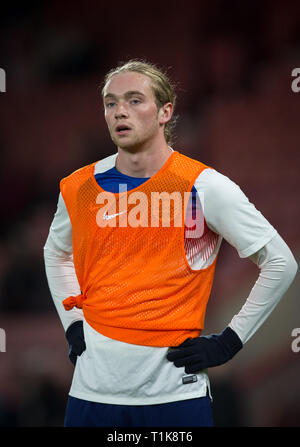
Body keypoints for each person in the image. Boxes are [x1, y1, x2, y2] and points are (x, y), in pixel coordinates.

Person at [44, 60, 298, 427]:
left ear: (165, 112)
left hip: (174, 396)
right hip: (90, 395)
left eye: (134, 100)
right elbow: (55, 253)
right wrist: (72, 322)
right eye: (111, 103)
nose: (119, 112)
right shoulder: (78, 187)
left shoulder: (205, 186)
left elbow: (280, 262)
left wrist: (229, 341)